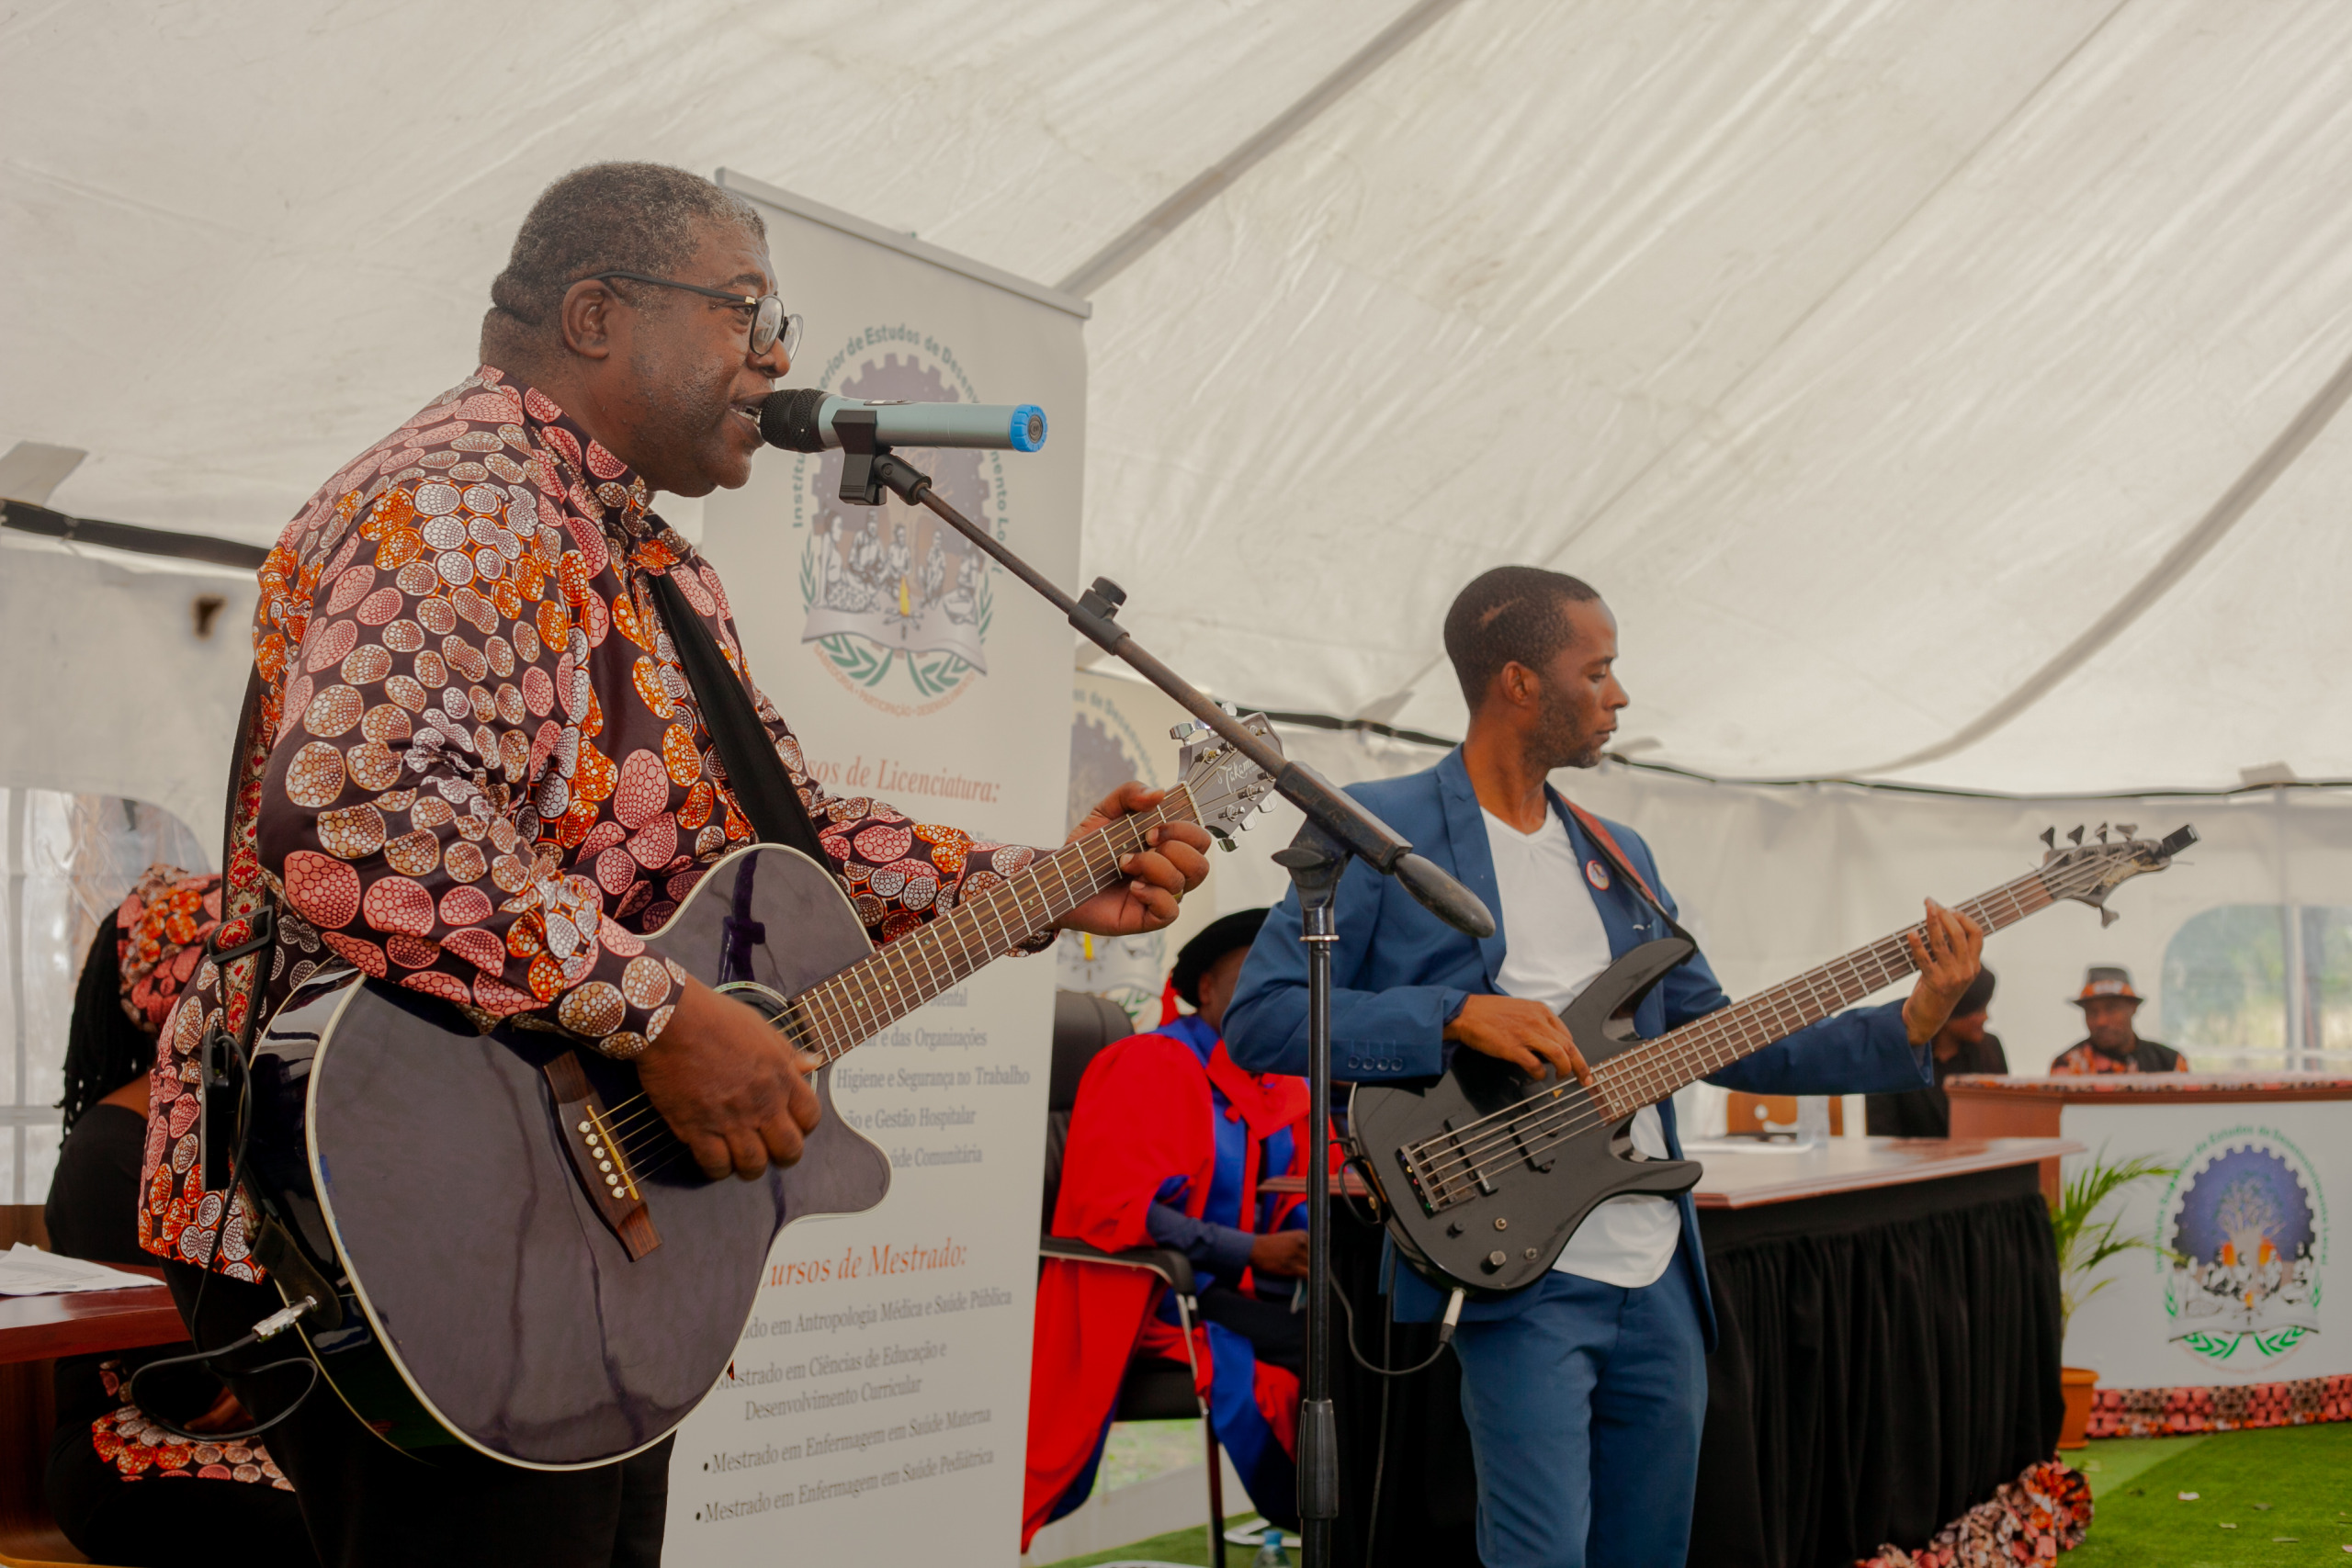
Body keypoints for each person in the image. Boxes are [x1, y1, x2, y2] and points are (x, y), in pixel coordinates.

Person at [141, 163, 1210, 1568]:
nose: (779, 359)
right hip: (393, 1190)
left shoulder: (649, 556)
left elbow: (784, 842)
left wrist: (1041, 878)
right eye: (748, 314)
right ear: (596, 313)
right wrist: (657, 1012)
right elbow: (360, 820)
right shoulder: (466, 501)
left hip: (541, 1194)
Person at [1223, 566, 1983, 1568]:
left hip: (1657, 1266)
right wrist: (1452, 1016)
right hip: (1513, 1265)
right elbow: (1264, 1021)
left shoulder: (1619, 853)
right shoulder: (1378, 832)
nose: (1619, 695)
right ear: (1519, 683)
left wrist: (1911, 1020)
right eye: (1601, 669)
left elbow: (1720, 1035)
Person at [44, 865, 318, 1568]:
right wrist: (258, 1369)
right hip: (130, 1444)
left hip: (262, 1415)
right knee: (341, 1523)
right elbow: (181, 1375)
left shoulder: (250, 1126)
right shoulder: (108, 1149)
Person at [1023, 910, 1314, 1548]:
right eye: (1250, 979)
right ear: (1205, 987)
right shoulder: (1153, 1062)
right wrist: (1253, 1250)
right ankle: (1324, 1520)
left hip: (1240, 1291)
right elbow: (1122, 1207)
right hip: (1158, 1299)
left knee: (1359, 1330)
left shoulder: (1279, 1084)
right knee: (1324, 1352)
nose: (1268, 998)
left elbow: (1292, 1189)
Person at [1866, 964, 2008, 1136]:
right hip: (1914, 1162)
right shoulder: (1891, 1058)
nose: (1986, 1017)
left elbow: (2003, 1122)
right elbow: (1882, 1137)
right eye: (1978, 1010)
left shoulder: (1990, 1048)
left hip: (1979, 1161)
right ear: (1950, 1011)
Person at [2048, 965, 2186, 1073]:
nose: (2101, 1021)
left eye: (2111, 1009)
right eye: (2091, 1011)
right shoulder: (2069, 1065)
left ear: (2133, 1008)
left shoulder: (2170, 1062)